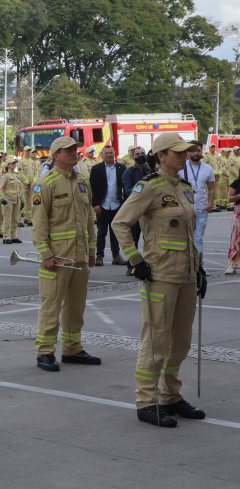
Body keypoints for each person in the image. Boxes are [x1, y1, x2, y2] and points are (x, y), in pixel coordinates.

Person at [111, 133, 205, 427]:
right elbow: (120, 223)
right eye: (177, 152)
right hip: (160, 274)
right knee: (157, 341)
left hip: (186, 275)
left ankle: (171, 396)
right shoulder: (148, 187)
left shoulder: (185, 188)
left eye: (186, 151)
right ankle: (146, 402)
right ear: (161, 155)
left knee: (181, 342)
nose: (184, 155)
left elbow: (188, 234)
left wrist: (199, 269)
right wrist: (135, 260)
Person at [31, 137, 99, 371]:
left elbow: (89, 218)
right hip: (57, 258)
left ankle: (72, 349)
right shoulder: (45, 183)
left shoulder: (82, 181)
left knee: (75, 306)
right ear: (55, 154)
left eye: (75, 149)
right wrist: (46, 254)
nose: (74, 153)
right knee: (51, 305)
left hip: (79, 256)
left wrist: (92, 251)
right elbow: (39, 223)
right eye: (68, 150)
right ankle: (45, 352)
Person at [177, 146, 215, 267]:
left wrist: (210, 204)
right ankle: (185, 265)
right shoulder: (181, 168)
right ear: (188, 152)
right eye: (194, 151)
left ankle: (199, 267)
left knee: (198, 238)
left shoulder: (207, 168)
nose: (196, 153)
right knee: (183, 238)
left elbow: (211, 188)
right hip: (184, 207)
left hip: (201, 207)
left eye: (198, 150)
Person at [89, 146, 127, 267]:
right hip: (102, 205)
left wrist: (125, 203)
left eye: (111, 152)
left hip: (117, 204)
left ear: (115, 154)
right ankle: (99, 256)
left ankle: (116, 256)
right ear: (102, 155)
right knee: (101, 232)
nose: (109, 155)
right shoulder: (96, 169)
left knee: (115, 231)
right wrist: (95, 204)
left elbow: (125, 187)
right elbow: (92, 188)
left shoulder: (121, 168)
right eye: (107, 153)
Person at [121, 147, 155, 276]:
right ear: (132, 155)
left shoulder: (152, 171)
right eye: (137, 154)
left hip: (150, 211)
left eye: (142, 154)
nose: (140, 156)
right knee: (133, 238)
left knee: (150, 238)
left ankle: (151, 263)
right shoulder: (128, 172)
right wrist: (143, 190)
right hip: (135, 211)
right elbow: (128, 190)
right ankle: (132, 265)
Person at [0, 158, 24, 244]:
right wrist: (2, 199)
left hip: (17, 199)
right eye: (12, 163)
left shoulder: (16, 175)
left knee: (15, 219)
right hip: (8, 200)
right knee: (7, 218)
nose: (14, 164)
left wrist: (23, 200)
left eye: (15, 163)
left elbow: (21, 189)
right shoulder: (5, 176)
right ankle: (6, 237)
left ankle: (14, 236)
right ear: (8, 165)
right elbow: (1, 188)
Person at [225, 174, 240, 274]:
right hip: (239, 212)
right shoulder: (237, 183)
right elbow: (229, 198)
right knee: (236, 238)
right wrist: (238, 196)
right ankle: (232, 264)